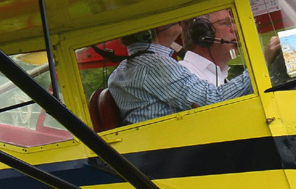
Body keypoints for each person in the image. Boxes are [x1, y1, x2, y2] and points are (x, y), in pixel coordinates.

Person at [107, 21, 254, 124]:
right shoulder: (153, 64)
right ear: (146, 29)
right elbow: (212, 101)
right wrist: (261, 69)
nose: (176, 16)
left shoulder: (126, 67)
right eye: (163, 13)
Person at [178, 15, 240, 87]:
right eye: (226, 23)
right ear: (202, 32)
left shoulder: (222, 77)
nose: (235, 29)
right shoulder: (184, 73)